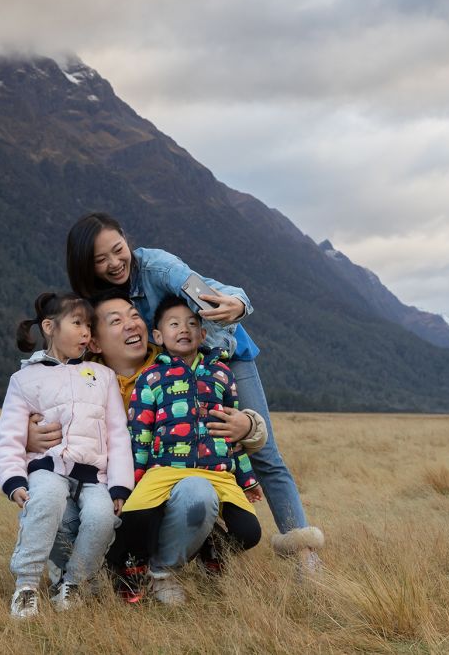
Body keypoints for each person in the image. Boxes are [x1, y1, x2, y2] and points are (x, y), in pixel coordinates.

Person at [65, 213, 324, 567]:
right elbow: (68, 339)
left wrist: (237, 304)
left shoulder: (158, 267)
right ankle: (183, 542)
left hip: (221, 358)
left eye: (118, 250)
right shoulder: (95, 300)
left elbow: (207, 293)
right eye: (100, 259)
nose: (114, 263)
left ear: (127, 241)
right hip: (166, 371)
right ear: (86, 266)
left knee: (258, 448)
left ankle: (305, 557)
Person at [32, 290, 268, 604]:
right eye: (116, 321)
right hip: (101, 488)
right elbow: (37, 415)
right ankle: (82, 575)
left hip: (175, 483)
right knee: (56, 499)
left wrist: (249, 426)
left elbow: (230, 419)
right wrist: (28, 435)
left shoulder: (182, 364)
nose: (132, 324)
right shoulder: (81, 381)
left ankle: (164, 567)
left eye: (134, 316)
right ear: (94, 341)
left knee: (200, 495)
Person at [0, 292, 134, 618]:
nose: (86, 332)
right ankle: (26, 585)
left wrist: (119, 486)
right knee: (45, 502)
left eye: (89, 325)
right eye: (77, 323)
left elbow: (117, 434)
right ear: (49, 327)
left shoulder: (102, 376)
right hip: (48, 468)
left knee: (102, 519)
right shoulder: (24, 379)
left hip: (93, 474)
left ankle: (72, 583)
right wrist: (13, 480)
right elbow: (9, 435)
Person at [122, 294, 263, 600]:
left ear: (203, 333)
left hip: (218, 473)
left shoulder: (222, 374)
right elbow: (140, 434)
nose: (183, 329)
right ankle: (136, 570)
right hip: (163, 471)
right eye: (174, 324)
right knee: (132, 521)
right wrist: (133, 480)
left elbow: (232, 432)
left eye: (191, 323)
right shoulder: (151, 378)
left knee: (249, 532)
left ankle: (210, 548)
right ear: (158, 335)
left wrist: (247, 479)